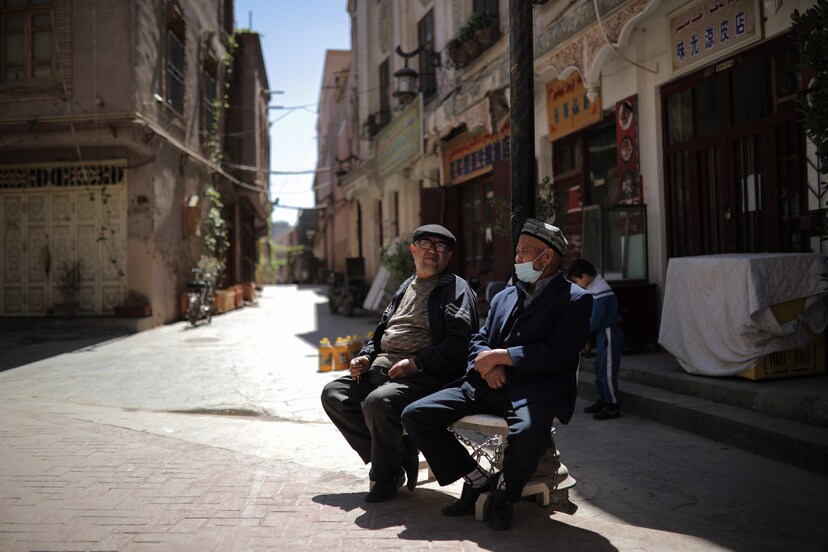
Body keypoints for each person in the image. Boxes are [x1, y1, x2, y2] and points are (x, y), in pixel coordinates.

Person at [401, 218, 592, 530]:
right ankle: (476, 479)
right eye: (517, 251)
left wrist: (502, 357)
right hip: (486, 384)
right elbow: (479, 338)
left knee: (530, 434)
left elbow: (559, 351)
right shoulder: (505, 295)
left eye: (524, 251)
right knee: (416, 415)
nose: (517, 257)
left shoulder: (575, 299)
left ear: (547, 256)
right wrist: (486, 365)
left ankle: (504, 493)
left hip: (534, 391)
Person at [320, 224, 478, 503]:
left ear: (449, 255)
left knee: (377, 403)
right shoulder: (406, 286)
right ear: (413, 250)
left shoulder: (455, 289)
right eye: (426, 244)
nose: (432, 251)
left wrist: (417, 363)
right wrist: (366, 355)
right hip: (381, 370)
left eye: (440, 246)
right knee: (334, 394)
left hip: (425, 376)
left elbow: (459, 344)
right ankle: (399, 454)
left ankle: (385, 476)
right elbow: (382, 332)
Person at [568, 259, 624, 420]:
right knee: (600, 368)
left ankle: (612, 406)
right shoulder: (595, 286)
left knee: (607, 371)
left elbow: (596, 319)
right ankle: (604, 400)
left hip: (608, 332)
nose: (576, 284)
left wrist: (580, 332)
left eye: (576, 280)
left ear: (585, 276)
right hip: (602, 333)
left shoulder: (600, 289)